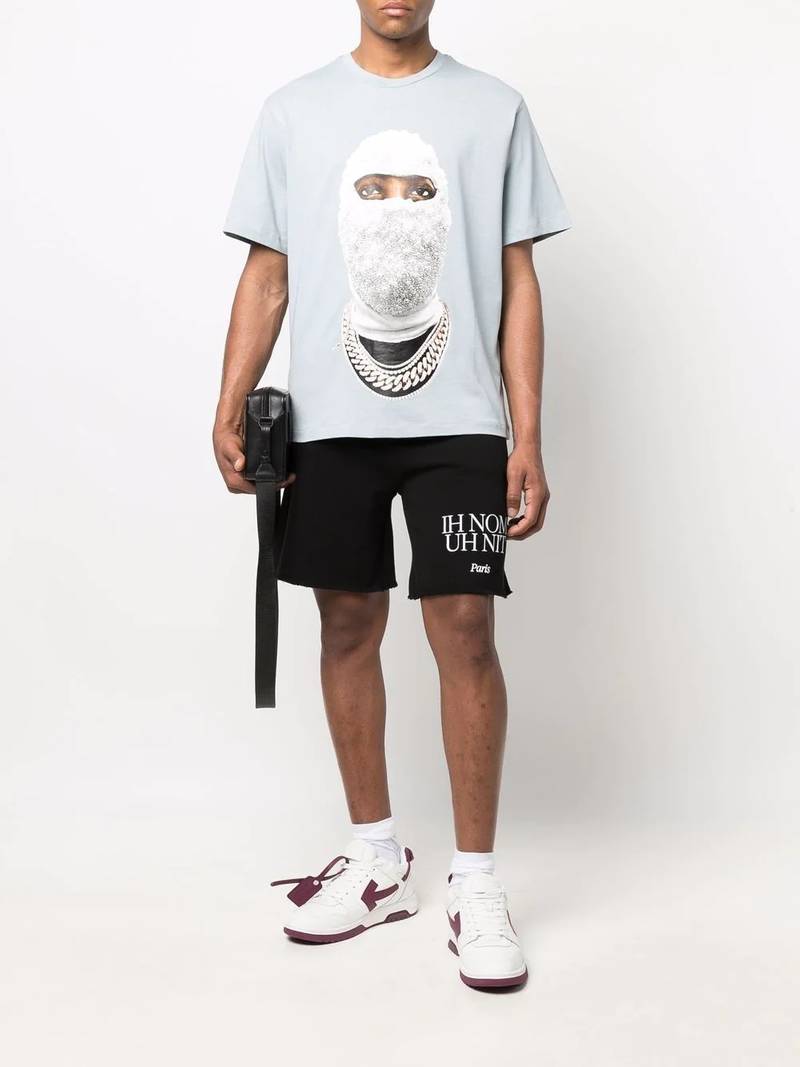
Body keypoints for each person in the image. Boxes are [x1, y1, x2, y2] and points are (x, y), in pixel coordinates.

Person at [213, 0, 570, 991]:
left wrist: (527, 434)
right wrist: (230, 398)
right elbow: (269, 273)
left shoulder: (493, 109)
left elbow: (518, 279)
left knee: (465, 626)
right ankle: (376, 858)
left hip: (461, 421)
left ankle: (476, 881)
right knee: (344, 623)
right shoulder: (293, 112)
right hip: (329, 423)